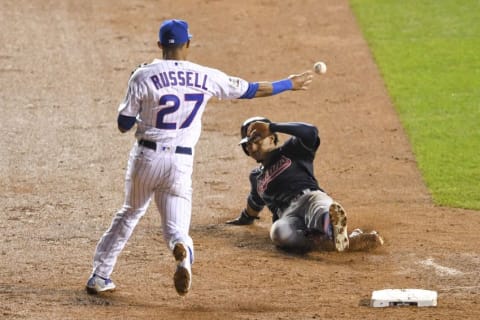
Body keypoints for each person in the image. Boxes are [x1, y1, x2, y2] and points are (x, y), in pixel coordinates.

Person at [85, 19, 314, 296]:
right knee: (177, 228)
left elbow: (123, 124)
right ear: (188, 44)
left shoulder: (143, 75)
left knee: (129, 214)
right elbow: (252, 89)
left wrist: (138, 94)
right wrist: (289, 83)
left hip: (146, 158)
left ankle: (100, 276)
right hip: (179, 164)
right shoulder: (206, 75)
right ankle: (181, 251)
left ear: (160, 45)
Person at [226, 117, 384, 253]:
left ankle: (330, 227)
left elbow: (311, 131)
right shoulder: (256, 177)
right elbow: (253, 203)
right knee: (278, 233)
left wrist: (273, 126)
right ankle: (345, 240)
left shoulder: (292, 150)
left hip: (310, 198)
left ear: (272, 138)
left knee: (323, 211)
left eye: (255, 140)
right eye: (247, 144)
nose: (251, 147)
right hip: (288, 215)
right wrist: (245, 218)